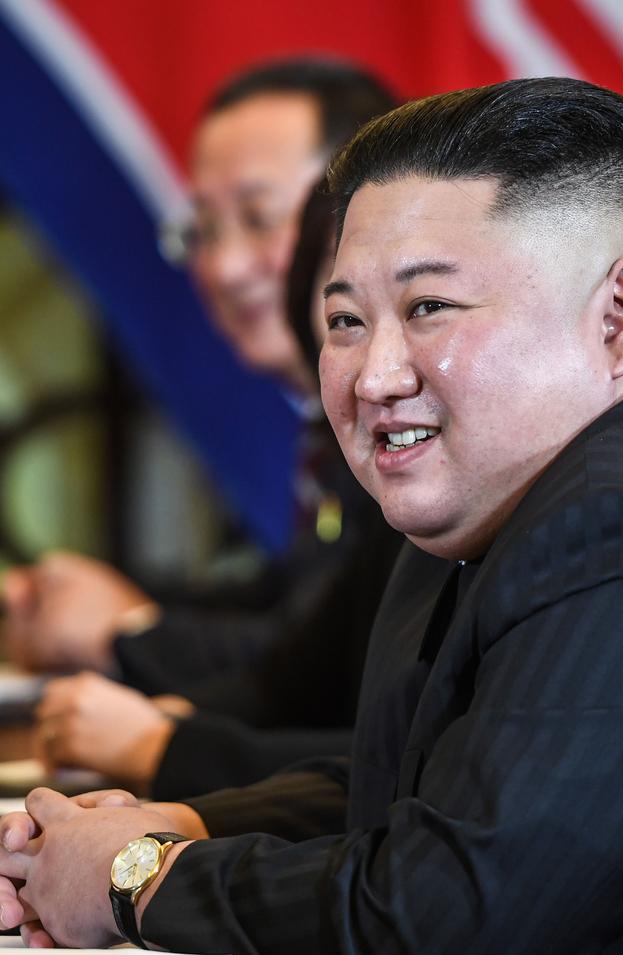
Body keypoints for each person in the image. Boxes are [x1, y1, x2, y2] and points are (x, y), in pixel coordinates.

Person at [2, 76, 623, 955]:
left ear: (620, 317)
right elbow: (408, 783)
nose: (374, 376)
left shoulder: (621, 522)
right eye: (345, 321)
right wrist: (176, 821)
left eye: (430, 308)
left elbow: (442, 926)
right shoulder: (478, 503)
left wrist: (137, 878)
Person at [1, 60, 400, 781]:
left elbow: (363, 688)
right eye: (204, 231)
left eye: (258, 218)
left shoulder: (411, 428)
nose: (224, 267)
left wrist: (130, 638)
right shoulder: (332, 432)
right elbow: (300, 626)